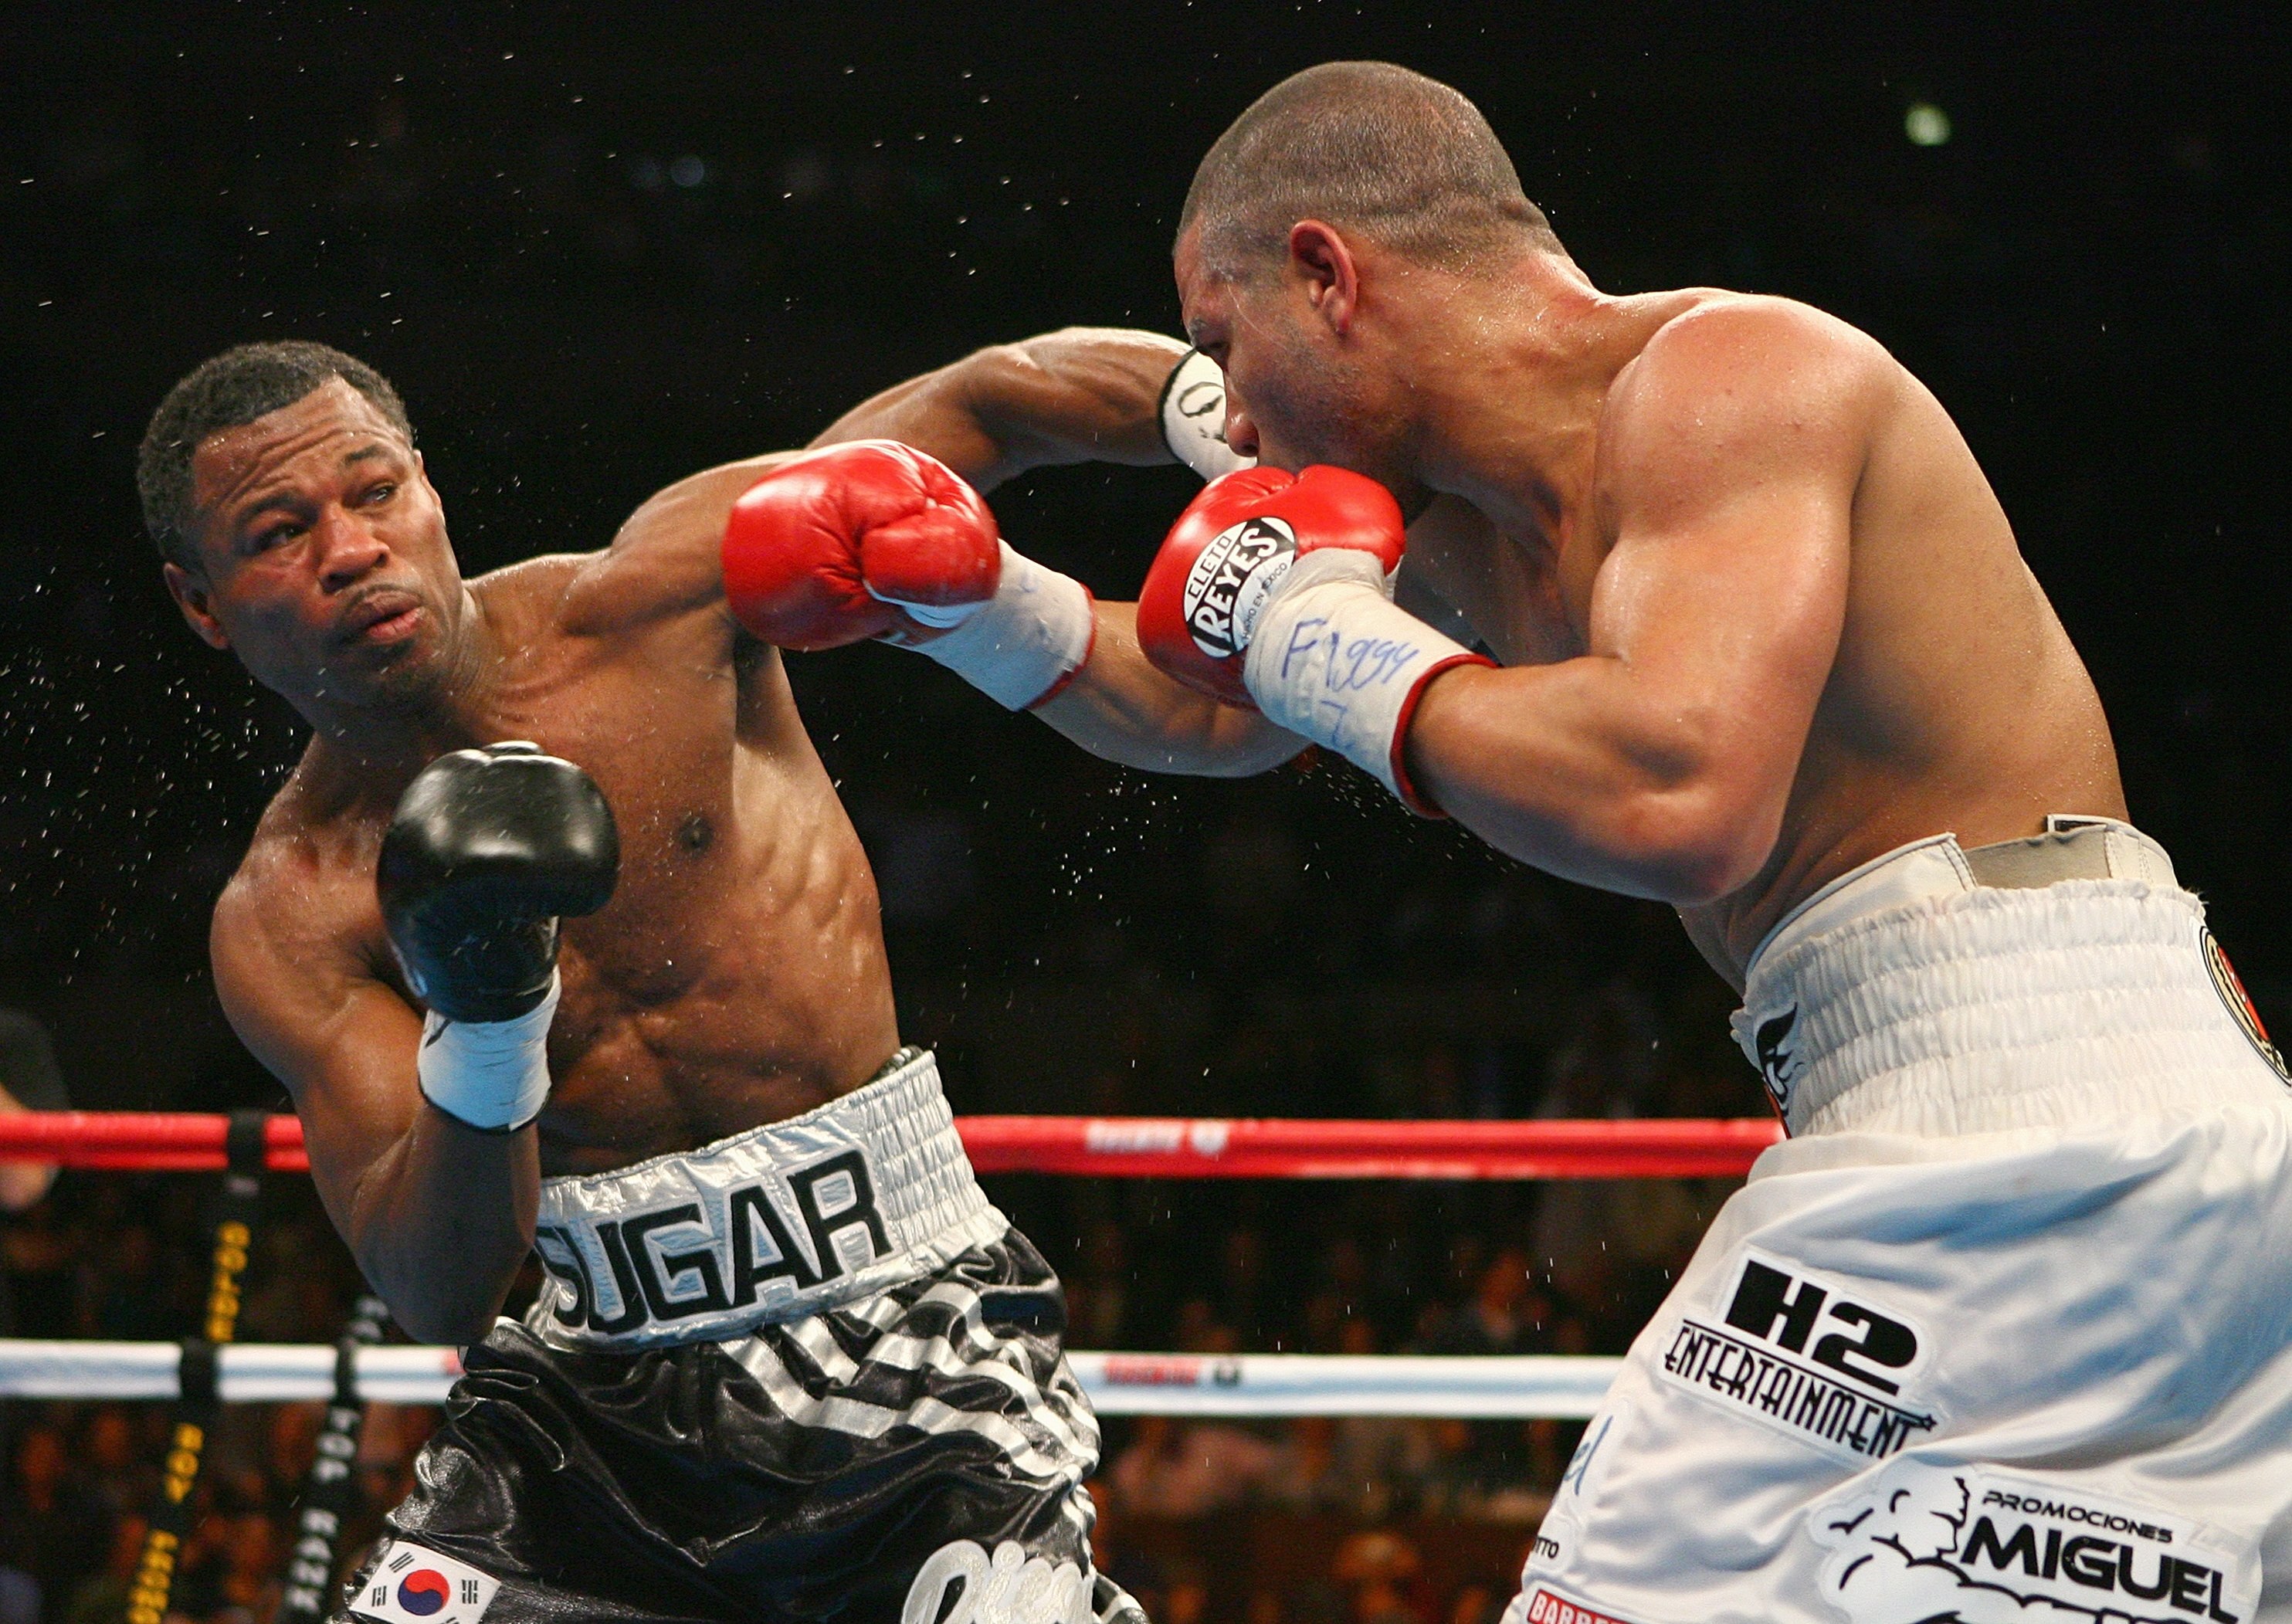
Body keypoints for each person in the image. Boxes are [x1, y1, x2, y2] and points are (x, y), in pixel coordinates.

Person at [741, 61, 2292, 1622]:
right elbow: (1220, 703)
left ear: (1324, 273)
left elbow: (1676, 796)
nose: (1239, 414)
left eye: (1226, 342)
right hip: (2032, 1101)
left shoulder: (1730, 379)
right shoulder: (1463, 541)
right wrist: (976, 606)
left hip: (2024, 1080)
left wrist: (1311, 633)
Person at [136, 337, 1195, 1624]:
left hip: (909, 1323)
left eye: (373, 493)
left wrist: (1240, 410)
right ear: (202, 603)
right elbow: (440, 1286)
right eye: (278, 533)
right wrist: (485, 1015)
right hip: (594, 1411)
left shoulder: (658, 598)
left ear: (428, 488)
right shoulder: (290, 907)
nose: (351, 550)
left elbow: (991, 402)